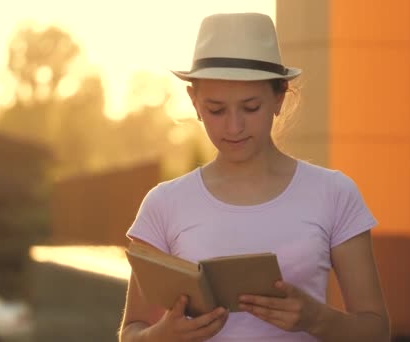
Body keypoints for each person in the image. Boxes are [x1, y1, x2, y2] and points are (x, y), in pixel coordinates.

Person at [119, 12, 389, 342]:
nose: (234, 127)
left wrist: (316, 318)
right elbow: (131, 332)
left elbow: (376, 331)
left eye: (250, 107)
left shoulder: (334, 194)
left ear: (279, 97)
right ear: (194, 102)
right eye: (216, 110)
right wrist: (161, 336)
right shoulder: (164, 204)